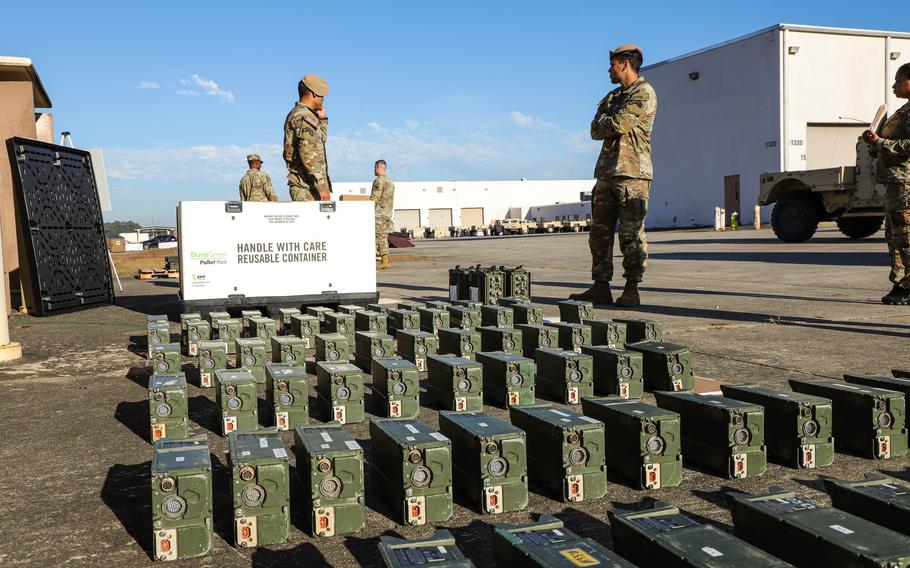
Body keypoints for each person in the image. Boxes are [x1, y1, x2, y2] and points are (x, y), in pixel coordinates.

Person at [570, 44, 657, 307]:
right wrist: (609, 121)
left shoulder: (644, 92)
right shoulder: (611, 97)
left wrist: (609, 121)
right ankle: (600, 286)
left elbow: (620, 123)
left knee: (631, 234)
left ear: (625, 63)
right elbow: (594, 130)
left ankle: (632, 288)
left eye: (613, 63)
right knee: (599, 233)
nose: (609, 68)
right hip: (607, 173)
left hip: (632, 174)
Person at [863, 63, 910, 305]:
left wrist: (881, 142)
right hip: (896, 182)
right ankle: (901, 283)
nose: (894, 85)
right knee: (895, 235)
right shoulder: (904, 110)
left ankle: (907, 286)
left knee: (905, 235)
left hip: (906, 184)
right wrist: (876, 146)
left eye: (899, 80)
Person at [283, 73, 332, 201]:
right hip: (305, 187)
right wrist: (321, 185)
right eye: (322, 95)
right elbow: (308, 152)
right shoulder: (304, 116)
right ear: (314, 94)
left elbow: (318, 144)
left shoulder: (302, 115)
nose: (323, 99)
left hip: (308, 186)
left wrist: (322, 120)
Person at [370, 159, 396, 269]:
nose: (373, 169)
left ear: (377, 167)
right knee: (383, 237)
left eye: (374, 167)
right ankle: (383, 259)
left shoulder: (379, 181)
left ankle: (384, 260)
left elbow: (375, 198)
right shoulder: (390, 182)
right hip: (387, 214)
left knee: (378, 237)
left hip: (378, 214)